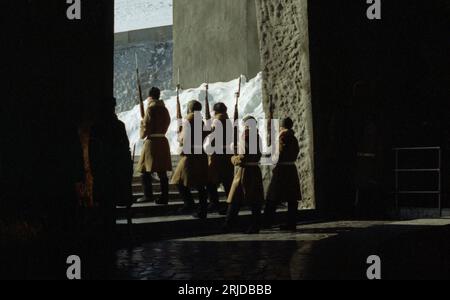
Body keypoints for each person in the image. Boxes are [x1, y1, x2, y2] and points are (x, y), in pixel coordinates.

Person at [89, 97, 133, 242]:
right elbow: (124, 150)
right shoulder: (118, 126)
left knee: (104, 205)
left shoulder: (96, 127)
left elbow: (93, 152)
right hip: (116, 172)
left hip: (104, 172)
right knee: (111, 204)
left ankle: (106, 234)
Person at [224, 116, 264, 234]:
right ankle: (253, 225)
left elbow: (242, 157)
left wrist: (233, 158)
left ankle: (229, 224)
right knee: (253, 200)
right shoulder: (257, 136)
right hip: (254, 170)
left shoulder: (246, 136)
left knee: (235, 200)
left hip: (245, 171)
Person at [171, 100, 209, 219]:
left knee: (178, 179)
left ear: (190, 109)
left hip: (190, 154)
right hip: (200, 153)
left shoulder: (188, 120)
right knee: (200, 183)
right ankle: (201, 209)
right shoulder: (200, 120)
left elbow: (184, 138)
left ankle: (189, 204)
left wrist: (180, 138)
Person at [264, 118, 301, 231]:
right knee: (292, 198)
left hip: (282, 170)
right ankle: (291, 223)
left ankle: (267, 222)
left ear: (282, 127)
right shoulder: (293, 138)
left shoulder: (282, 137)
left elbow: (278, 153)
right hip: (291, 169)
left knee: (272, 197)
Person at [137, 87, 172, 205]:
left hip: (152, 142)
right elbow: (167, 122)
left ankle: (148, 195)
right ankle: (165, 196)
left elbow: (145, 127)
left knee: (144, 170)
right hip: (162, 140)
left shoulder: (150, 109)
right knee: (162, 172)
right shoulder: (165, 109)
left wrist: (142, 129)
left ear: (150, 97)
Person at [205, 102, 234, 214]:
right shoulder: (228, 121)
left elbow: (213, 138)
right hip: (227, 153)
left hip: (217, 153)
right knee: (227, 181)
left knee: (211, 180)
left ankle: (214, 203)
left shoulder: (216, 122)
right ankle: (229, 204)